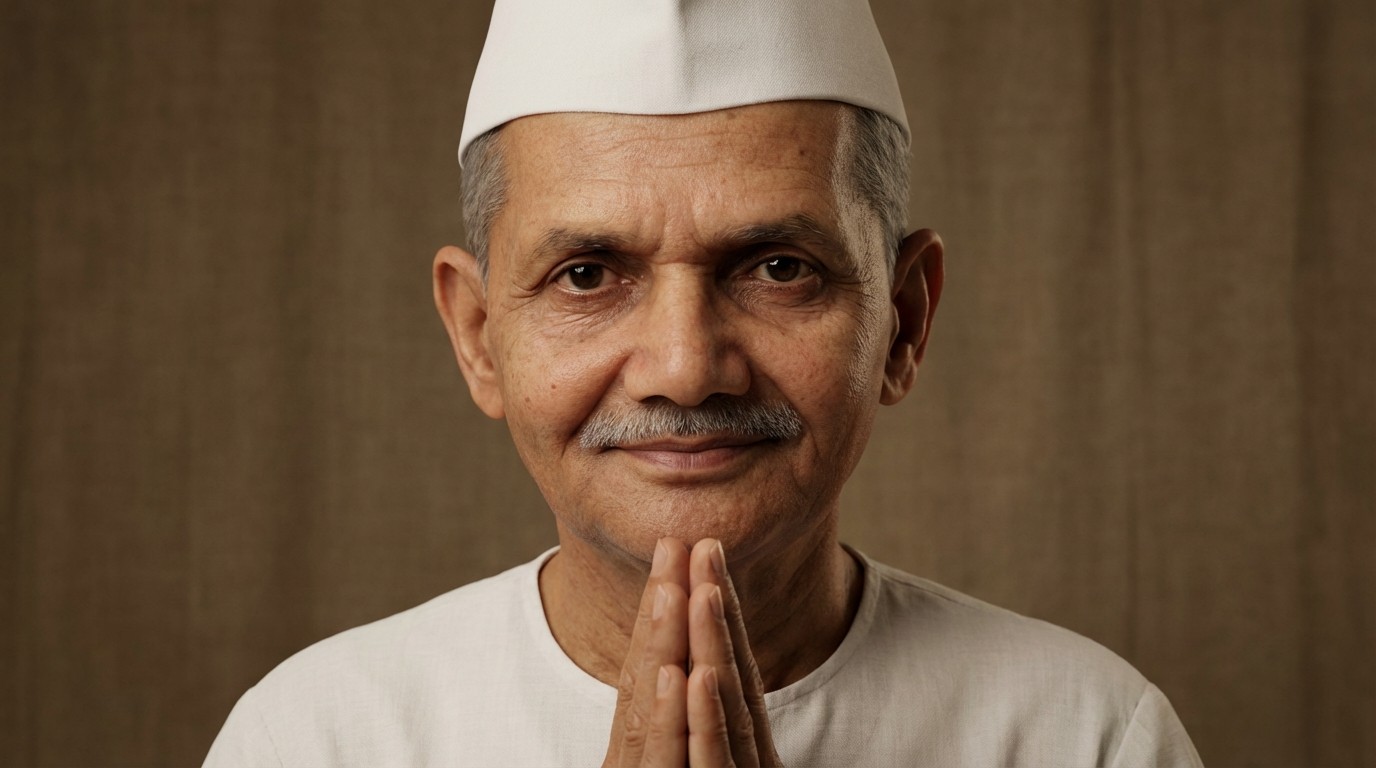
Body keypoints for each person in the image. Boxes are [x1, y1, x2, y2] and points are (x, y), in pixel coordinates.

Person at [205, 0, 1204, 765]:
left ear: (902, 316)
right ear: (477, 333)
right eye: (588, 275)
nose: (684, 369)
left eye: (776, 267)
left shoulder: (1083, 737)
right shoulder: (315, 739)